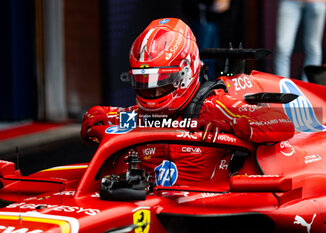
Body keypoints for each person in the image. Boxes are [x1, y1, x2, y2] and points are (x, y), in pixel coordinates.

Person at [81, 18, 295, 186]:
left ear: (185, 73)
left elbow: (282, 123)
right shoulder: (140, 115)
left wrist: (232, 125)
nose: (152, 91)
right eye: (144, 82)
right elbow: (98, 117)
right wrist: (95, 118)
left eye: (161, 83)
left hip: (202, 211)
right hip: (148, 202)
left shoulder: (214, 107)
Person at [275, 0, 326, 82]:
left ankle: (308, 90)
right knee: (282, 47)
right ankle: (282, 89)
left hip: (317, 3)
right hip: (290, 2)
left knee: (313, 48)